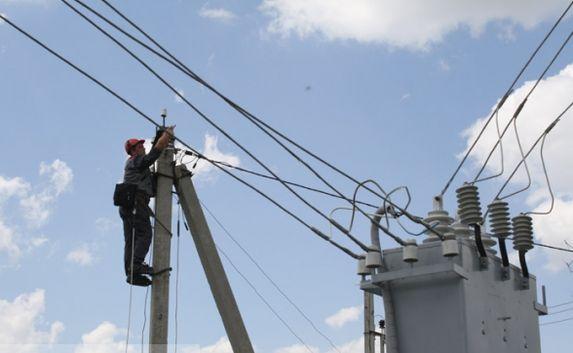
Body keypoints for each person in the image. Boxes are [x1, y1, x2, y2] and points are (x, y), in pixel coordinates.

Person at [119, 126, 174, 285]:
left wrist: (159, 138)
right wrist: (166, 137)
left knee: (132, 240)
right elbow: (152, 156)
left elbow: (154, 187)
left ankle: (131, 273)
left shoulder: (139, 168)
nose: (143, 147)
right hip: (136, 201)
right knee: (144, 234)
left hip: (128, 204)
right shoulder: (135, 162)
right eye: (140, 146)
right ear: (134, 151)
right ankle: (136, 265)